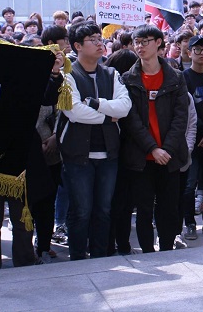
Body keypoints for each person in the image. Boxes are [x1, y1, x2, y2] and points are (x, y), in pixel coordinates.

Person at [61, 21, 132, 260]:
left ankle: (100, 256)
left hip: (109, 154)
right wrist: (107, 116)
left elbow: (125, 107)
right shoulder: (68, 74)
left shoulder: (112, 74)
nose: (99, 43)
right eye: (92, 39)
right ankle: (78, 256)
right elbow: (74, 112)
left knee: (103, 210)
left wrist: (97, 104)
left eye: (99, 38)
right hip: (77, 155)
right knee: (81, 211)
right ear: (77, 46)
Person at [119, 25, 190, 252]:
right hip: (141, 156)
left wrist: (166, 149)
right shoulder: (127, 78)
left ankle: (167, 247)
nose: (140, 46)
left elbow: (181, 117)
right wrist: (152, 147)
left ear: (159, 43)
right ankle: (148, 250)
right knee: (144, 209)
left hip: (169, 156)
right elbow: (131, 120)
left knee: (168, 208)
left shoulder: (176, 77)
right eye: (136, 42)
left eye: (145, 41)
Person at [182, 35, 203, 241]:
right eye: (197, 50)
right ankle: (189, 223)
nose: (202, 53)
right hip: (190, 138)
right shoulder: (182, 77)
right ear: (189, 52)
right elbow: (183, 111)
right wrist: (200, 133)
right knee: (188, 185)